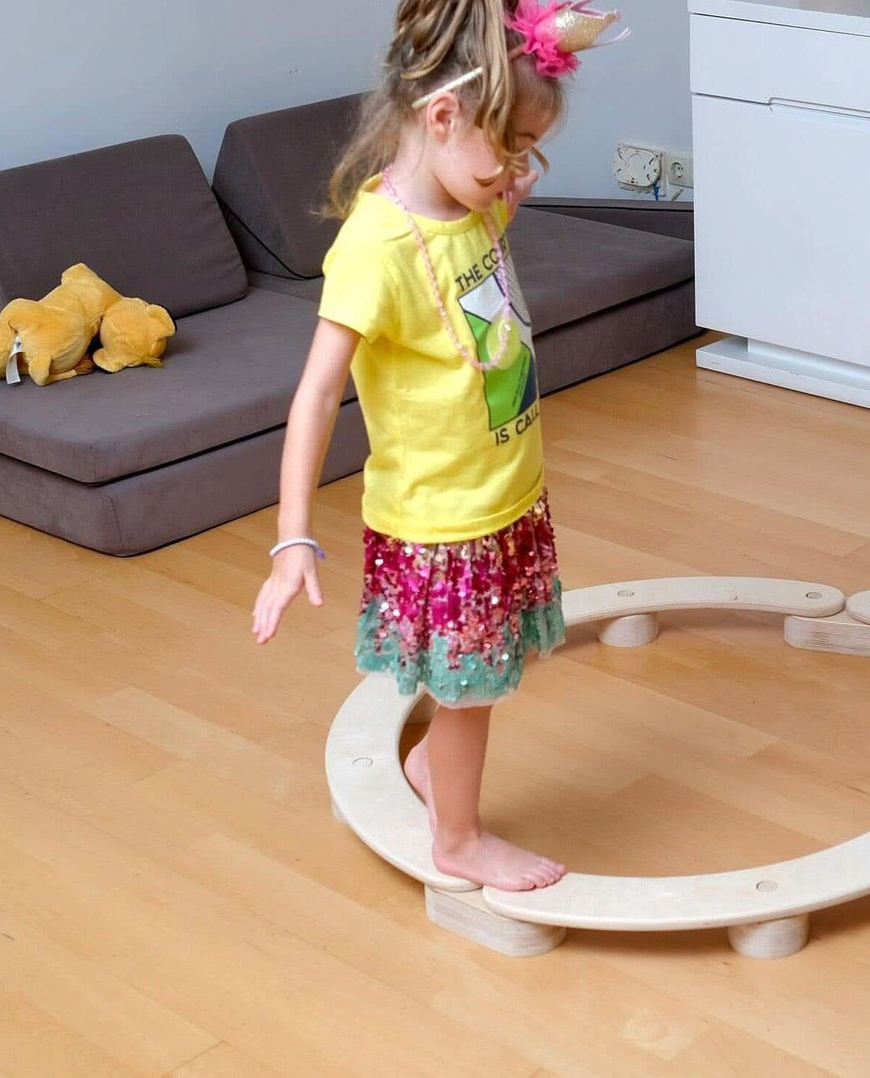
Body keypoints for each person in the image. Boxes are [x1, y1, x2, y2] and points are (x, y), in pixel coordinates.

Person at [253, 0, 623, 891]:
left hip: (502, 492)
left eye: (533, 152)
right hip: (439, 520)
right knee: (469, 694)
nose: (519, 172)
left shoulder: (470, 199)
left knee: (493, 668)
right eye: (511, 151)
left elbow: (466, 296)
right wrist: (291, 537)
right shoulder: (373, 249)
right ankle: (456, 840)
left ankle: (430, 780)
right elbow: (312, 397)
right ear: (444, 116)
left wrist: (504, 196)